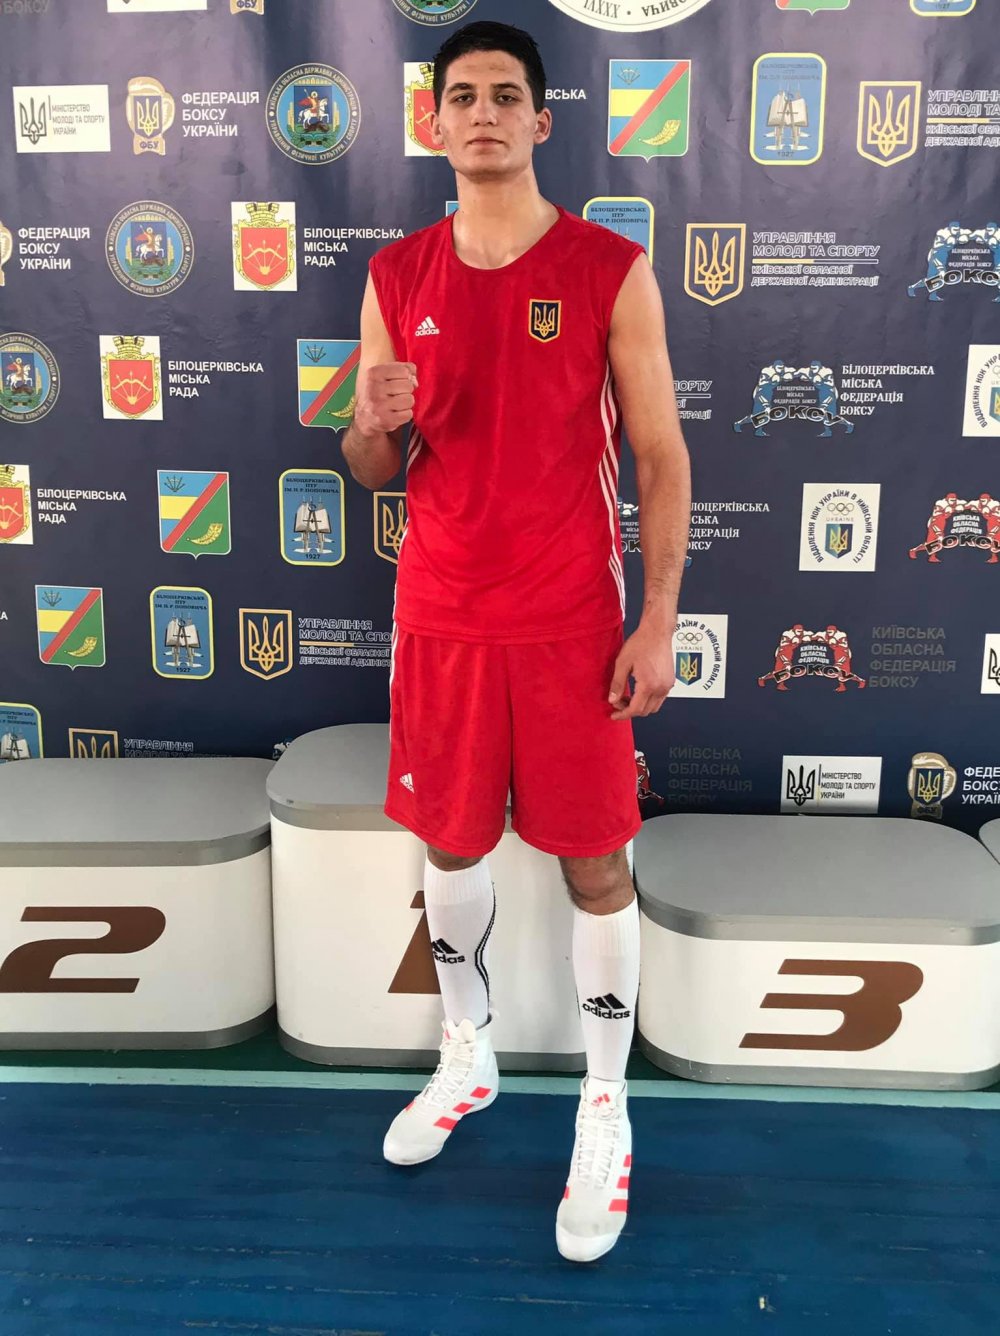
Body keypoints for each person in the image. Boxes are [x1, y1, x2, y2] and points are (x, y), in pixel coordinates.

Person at [341, 20, 690, 1264]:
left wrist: (658, 618)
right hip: (442, 616)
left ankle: (604, 1103)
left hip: (569, 624)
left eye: (504, 95)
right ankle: (468, 1054)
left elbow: (660, 453)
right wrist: (369, 423)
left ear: (542, 121)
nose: (481, 112)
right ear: (433, 123)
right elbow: (373, 464)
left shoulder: (608, 268)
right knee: (449, 843)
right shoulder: (396, 275)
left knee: (595, 867)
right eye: (461, 96)